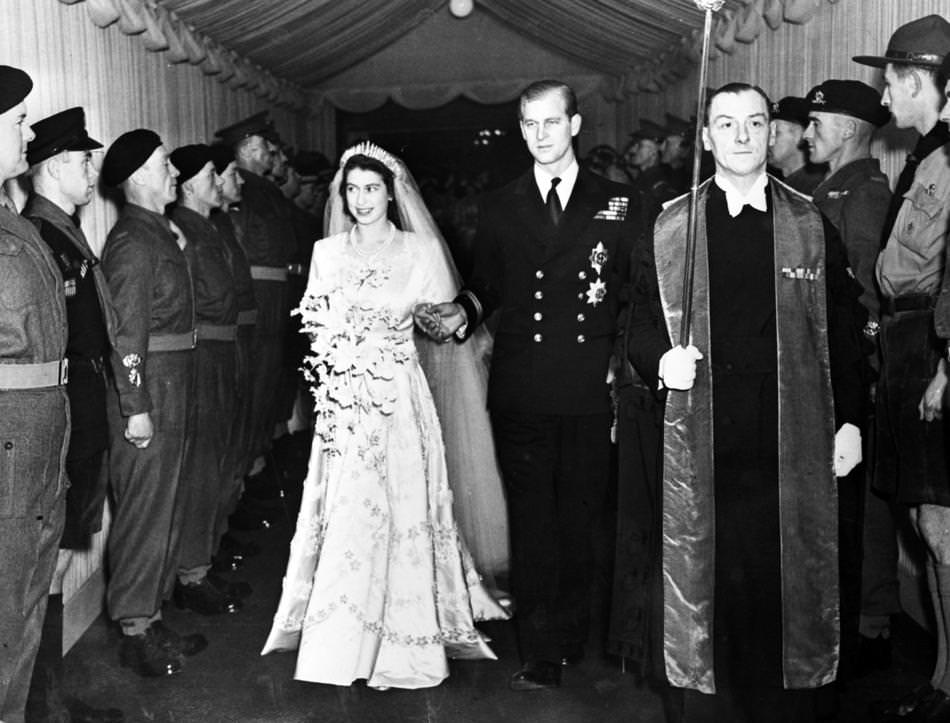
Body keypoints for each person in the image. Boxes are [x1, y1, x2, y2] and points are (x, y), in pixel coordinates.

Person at [626, 82, 865, 722]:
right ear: (705, 138)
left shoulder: (809, 222)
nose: (740, 136)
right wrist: (660, 360)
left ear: (770, 134)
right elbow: (637, 325)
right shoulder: (670, 223)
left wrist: (851, 420)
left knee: (779, 577)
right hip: (700, 425)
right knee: (707, 575)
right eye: (725, 124)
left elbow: (841, 327)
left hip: (789, 426)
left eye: (753, 123)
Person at [261, 142, 509, 689]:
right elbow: (314, 324)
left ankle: (406, 639)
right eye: (353, 189)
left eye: (373, 188)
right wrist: (338, 358)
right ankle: (341, 644)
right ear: (342, 197)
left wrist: (424, 326)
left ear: (391, 194)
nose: (363, 199)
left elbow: (440, 319)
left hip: (399, 394)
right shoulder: (327, 253)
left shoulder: (418, 250)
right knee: (351, 511)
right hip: (346, 401)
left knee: (401, 508)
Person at [422, 79, 642, 691]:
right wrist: (462, 313)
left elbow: (635, 294)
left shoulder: (620, 203)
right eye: (528, 125)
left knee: (581, 518)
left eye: (551, 123)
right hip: (521, 386)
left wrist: (622, 362)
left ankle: (576, 632)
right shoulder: (503, 203)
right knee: (533, 522)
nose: (540, 136)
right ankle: (541, 648)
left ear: (575, 125)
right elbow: (487, 283)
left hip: (589, 387)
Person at [853, 14, 950, 721]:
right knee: (925, 519)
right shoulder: (925, 154)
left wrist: (948, 367)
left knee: (943, 526)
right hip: (910, 347)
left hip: (936, 355)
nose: (884, 96)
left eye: (890, 82)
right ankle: (943, 677)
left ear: (918, 81)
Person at [23, 107, 124, 723]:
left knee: (58, 557)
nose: (94, 171)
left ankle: (47, 695)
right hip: (63, 413)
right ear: (58, 165)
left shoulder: (65, 230)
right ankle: (40, 701)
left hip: (83, 408)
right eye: (86, 160)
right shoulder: (40, 234)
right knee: (47, 559)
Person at [99, 129, 207, 678]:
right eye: (165, 165)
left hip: (174, 381)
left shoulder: (157, 233)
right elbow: (125, 337)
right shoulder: (132, 244)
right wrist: (136, 406)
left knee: (167, 507)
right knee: (144, 512)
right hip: (150, 391)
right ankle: (135, 631)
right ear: (139, 175)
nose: (174, 174)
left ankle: (154, 613)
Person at [801, 79, 896, 679]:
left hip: (847, 364)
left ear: (849, 130)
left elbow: (862, 288)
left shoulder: (862, 193)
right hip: (823, 359)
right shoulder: (828, 188)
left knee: (862, 500)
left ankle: (870, 622)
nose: (808, 134)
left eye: (817, 123)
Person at [0, 65, 70, 723]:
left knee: (21, 605)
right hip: (7, 448)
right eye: (17, 120)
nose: (28, 129)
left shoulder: (12, 218)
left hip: (36, 442)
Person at [168, 144, 246, 616]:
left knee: (216, 462)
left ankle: (203, 560)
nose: (218, 184)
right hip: (203, 357)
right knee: (199, 472)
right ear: (194, 183)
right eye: (213, 176)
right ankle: (192, 574)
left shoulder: (207, 227)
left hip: (221, 350)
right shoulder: (183, 230)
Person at [215, 112, 296, 516]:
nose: (269, 154)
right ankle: (245, 481)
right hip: (259, 301)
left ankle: (254, 471)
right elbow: (241, 252)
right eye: (264, 147)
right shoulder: (244, 192)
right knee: (254, 390)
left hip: (273, 299)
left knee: (265, 389)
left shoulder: (264, 190)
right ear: (247, 149)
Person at [767, 95, 826, 195]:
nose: (768, 141)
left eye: (776, 133)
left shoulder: (815, 188)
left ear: (801, 136)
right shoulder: (771, 182)